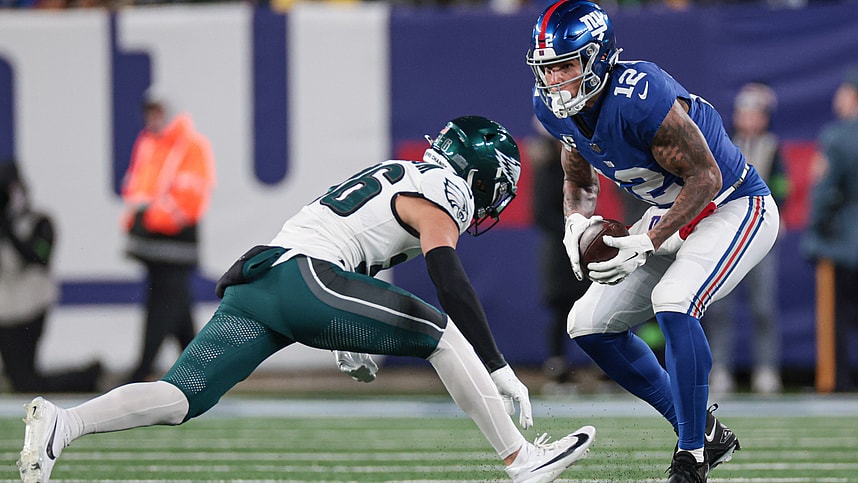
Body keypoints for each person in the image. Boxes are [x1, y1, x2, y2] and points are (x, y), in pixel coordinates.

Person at [17, 116, 596, 483]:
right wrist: (496, 364)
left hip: (266, 279)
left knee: (180, 397)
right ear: (478, 173)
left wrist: (350, 339)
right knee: (442, 334)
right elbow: (449, 280)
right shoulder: (441, 189)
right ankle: (520, 458)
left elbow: (353, 252)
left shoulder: (401, 174)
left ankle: (64, 424)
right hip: (304, 279)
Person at [526, 1, 779, 482]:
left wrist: (648, 240)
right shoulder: (554, 108)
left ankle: (692, 456)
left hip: (734, 204)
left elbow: (706, 177)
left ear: (598, 57)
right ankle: (702, 429)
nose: (555, 80)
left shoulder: (640, 95)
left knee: (675, 300)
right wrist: (575, 223)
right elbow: (578, 180)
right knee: (587, 324)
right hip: (671, 213)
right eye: (548, 68)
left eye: (566, 65)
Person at [120, 93, 216, 383]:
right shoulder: (149, 143)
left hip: (176, 241)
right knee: (177, 308)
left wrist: (148, 218)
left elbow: (189, 199)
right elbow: (138, 187)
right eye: (149, 111)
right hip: (152, 243)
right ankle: (201, 371)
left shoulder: (191, 145)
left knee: (162, 307)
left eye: (158, 111)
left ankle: (143, 369)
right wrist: (136, 219)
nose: (153, 117)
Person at [704, 82, 787, 396]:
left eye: (755, 112)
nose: (749, 118)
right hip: (727, 235)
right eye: (744, 112)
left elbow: (781, 185)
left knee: (763, 306)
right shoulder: (725, 144)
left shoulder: (772, 147)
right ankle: (720, 368)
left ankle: (766, 369)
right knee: (720, 306)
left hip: (761, 233)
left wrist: (777, 211)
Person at [0, 161, 102, 393]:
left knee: (25, 381)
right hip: (5, 310)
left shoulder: (40, 222)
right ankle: (86, 376)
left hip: (32, 306)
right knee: (20, 380)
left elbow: (38, 257)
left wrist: (7, 227)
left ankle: (87, 376)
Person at [801, 66, 858, 393]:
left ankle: (836, 381)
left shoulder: (838, 137)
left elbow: (823, 192)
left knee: (835, 318)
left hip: (844, 243)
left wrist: (816, 230)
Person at [525, 119, 591, 386]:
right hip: (560, 250)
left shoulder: (578, 167)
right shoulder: (549, 169)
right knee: (562, 308)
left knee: (588, 305)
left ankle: (601, 365)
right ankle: (558, 366)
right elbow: (541, 214)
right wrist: (573, 231)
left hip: (579, 246)